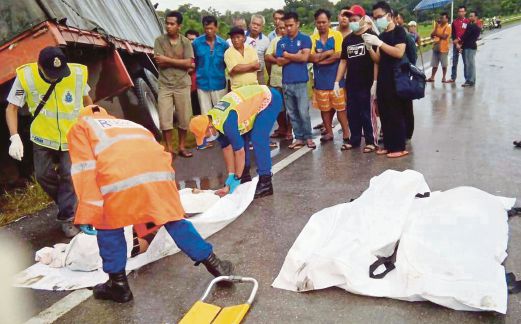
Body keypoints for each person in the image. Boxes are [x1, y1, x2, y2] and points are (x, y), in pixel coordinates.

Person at [67, 105, 233, 303]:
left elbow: (85, 171)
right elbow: (161, 154)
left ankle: (118, 285)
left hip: (118, 180)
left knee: (108, 224)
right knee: (173, 220)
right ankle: (216, 265)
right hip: (158, 176)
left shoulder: (82, 127)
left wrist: (90, 211)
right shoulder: (129, 124)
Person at [5, 46, 92, 237]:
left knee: (69, 174)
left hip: (71, 135)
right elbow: (12, 108)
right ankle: (68, 203)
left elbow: (88, 101)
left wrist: (92, 122)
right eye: (51, 73)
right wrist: (14, 137)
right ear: (39, 66)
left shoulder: (76, 74)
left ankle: (67, 218)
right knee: (43, 175)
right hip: (42, 136)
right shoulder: (26, 77)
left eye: (60, 73)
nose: (56, 77)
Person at [189, 85, 282, 199]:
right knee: (242, 137)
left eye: (205, 136)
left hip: (269, 99)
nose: (206, 139)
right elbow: (227, 148)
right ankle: (245, 176)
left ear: (209, 127)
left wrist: (236, 179)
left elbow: (239, 152)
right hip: (249, 105)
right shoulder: (214, 122)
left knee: (258, 137)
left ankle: (266, 182)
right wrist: (231, 177)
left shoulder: (226, 123)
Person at [364, 1, 409, 158]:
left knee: (395, 113)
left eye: (379, 16)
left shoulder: (399, 32)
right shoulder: (382, 35)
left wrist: (380, 43)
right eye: (374, 17)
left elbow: (398, 52)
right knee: (384, 113)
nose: (377, 20)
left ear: (389, 15)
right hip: (383, 79)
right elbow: (378, 59)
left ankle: (399, 147)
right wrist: (370, 47)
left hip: (396, 78)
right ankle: (389, 145)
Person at [335, 5, 377, 153]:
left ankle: (371, 141)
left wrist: (375, 82)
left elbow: (377, 61)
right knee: (352, 112)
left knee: (367, 112)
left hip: (367, 82)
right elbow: (343, 61)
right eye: (350, 19)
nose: (352, 22)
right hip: (351, 82)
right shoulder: (347, 40)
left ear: (363, 19)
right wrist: (337, 81)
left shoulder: (371, 36)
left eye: (355, 19)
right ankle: (355, 140)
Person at [154, 11, 194, 158]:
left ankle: (182, 147)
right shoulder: (159, 41)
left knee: (184, 118)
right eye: (167, 23)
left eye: (172, 24)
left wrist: (168, 60)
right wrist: (180, 62)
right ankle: (170, 149)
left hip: (182, 84)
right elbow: (160, 61)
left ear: (179, 26)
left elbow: (189, 63)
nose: (168, 26)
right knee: (165, 119)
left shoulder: (186, 42)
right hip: (165, 85)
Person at [276, 12, 314, 149]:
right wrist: (295, 55)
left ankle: (308, 137)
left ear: (297, 24)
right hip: (287, 82)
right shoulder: (281, 42)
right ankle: (298, 138)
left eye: (291, 25)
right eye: (286, 26)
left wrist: (287, 55)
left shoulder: (305, 39)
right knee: (292, 113)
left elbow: (305, 58)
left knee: (303, 111)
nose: (288, 28)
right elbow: (279, 61)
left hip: (301, 81)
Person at [310, 9, 349, 145]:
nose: (321, 25)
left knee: (341, 108)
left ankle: (346, 133)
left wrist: (320, 59)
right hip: (320, 80)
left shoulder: (336, 35)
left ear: (329, 22)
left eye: (324, 22)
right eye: (319, 22)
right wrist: (328, 53)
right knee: (324, 109)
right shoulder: (312, 38)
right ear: (315, 23)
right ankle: (329, 132)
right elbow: (311, 57)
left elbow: (339, 54)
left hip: (336, 79)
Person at [192, 16, 229, 116]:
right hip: (202, 83)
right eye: (206, 28)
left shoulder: (224, 45)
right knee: (205, 114)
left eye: (211, 28)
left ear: (216, 28)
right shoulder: (196, 43)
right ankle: (208, 132)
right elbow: (193, 61)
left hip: (219, 84)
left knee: (221, 114)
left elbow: (227, 63)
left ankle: (220, 132)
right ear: (203, 28)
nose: (208, 31)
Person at [265, 19, 293, 141]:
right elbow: (267, 56)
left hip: (290, 79)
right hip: (276, 79)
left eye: (285, 27)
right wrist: (278, 59)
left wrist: (280, 55)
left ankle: (290, 130)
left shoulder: (294, 41)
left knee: (290, 108)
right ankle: (282, 127)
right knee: (278, 107)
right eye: (280, 28)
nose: (283, 30)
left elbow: (294, 56)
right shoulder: (275, 40)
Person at [427, 12, 452, 83]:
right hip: (436, 46)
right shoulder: (438, 26)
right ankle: (432, 77)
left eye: (443, 18)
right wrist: (435, 29)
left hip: (443, 48)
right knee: (434, 63)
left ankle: (444, 77)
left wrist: (436, 34)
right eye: (441, 18)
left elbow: (444, 37)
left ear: (447, 19)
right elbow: (432, 35)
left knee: (444, 64)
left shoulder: (448, 27)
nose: (441, 19)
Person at [246, 14, 271, 85]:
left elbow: (267, 61)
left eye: (258, 25)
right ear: (250, 24)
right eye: (253, 23)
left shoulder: (266, 40)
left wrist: (270, 76)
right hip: (244, 73)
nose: (255, 26)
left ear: (262, 27)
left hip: (259, 74)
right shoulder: (242, 36)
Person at [459, 11, 481, 88]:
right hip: (467, 46)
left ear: (476, 17)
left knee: (470, 64)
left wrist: (459, 40)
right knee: (469, 64)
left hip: (470, 47)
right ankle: (470, 80)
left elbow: (465, 35)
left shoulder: (474, 26)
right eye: (470, 16)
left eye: (472, 16)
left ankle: (470, 80)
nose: (470, 17)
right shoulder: (471, 26)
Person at [447, 6, 469, 83]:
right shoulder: (454, 22)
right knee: (454, 62)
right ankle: (453, 77)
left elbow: (467, 33)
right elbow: (453, 34)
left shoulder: (467, 21)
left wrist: (461, 42)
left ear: (465, 12)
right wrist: (456, 44)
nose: (461, 13)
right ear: (458, 12)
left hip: (465, 45)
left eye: (462, 11)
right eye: (460, 11)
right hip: (456, 45)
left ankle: (467, 79)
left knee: (466, 62)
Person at [185, 30, 201, 117]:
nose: (191, 42)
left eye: (193, 39)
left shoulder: (200, 51)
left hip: (201, 86)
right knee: (196, 112)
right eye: (189, 39)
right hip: (189, 87)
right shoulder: (182, 52)